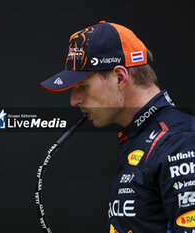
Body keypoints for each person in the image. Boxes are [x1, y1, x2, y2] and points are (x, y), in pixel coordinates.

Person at [40, 20, 195, 233]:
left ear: (120, 77)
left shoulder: (180, 141)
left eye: (82, 86)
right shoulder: (139, 136)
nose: (73, 100)